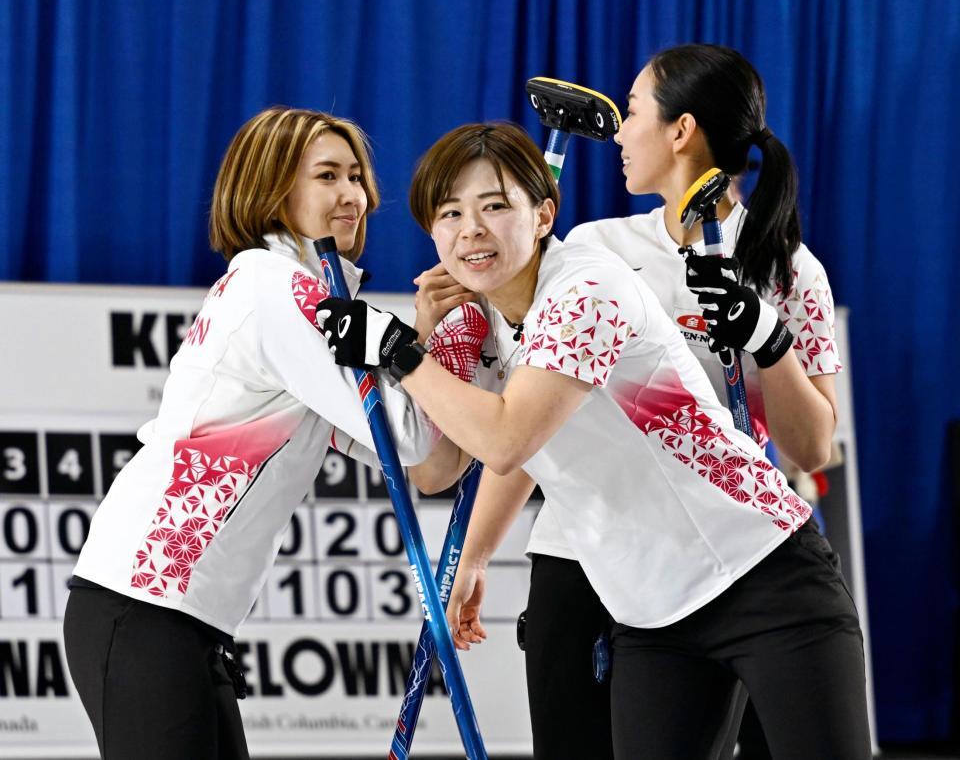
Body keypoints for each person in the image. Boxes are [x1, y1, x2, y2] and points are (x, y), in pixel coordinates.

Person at [315, 120, 871, 759]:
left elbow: (506, 439)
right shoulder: (475, 318)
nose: (471, 229)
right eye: (449, 213)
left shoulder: (587, 288)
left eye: (495, 206)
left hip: (764, 574)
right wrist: (469, 557)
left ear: (544, 213)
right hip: (652, 615)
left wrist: (401, 356)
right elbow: (439, 469)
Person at [62, 106, 472, 759]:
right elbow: (421, 443)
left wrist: (432, 343)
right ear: (275, 187)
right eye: (328, 175)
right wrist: (437, 350)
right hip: (146, 604)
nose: (353, 194)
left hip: (175, 619)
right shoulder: (284, 293)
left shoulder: (301, 293)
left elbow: (421, 468)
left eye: (357, 176)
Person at [515, 43, 848, 759]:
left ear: (681, 130)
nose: (618, 132)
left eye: (632, 111)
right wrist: (477, 557)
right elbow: (530, 415)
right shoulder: (595, 249)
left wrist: (768, 339)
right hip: (581, 549)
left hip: (722, 552)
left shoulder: (788, 267)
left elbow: (813, 447)